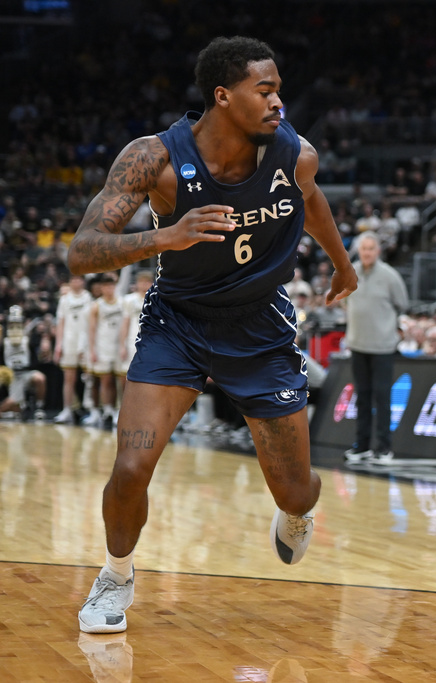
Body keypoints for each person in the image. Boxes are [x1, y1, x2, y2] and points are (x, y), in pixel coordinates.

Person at [68, 36, 358, 634]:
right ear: (223, 96)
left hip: (261, 328)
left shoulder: (295, 155)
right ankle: (115, 576)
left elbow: (313, 202)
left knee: (295, 492)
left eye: (279, 89)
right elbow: (81, 253)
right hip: (178, 321)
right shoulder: (153, 159)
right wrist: (162, 237)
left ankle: (298, 510)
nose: (279, 102)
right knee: (130, 466)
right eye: (266, 91)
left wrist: (342, 261)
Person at [342, 231, 407, 463]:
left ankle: (384, 448)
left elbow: (402, 303)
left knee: (382, 397)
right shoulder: (349, 272)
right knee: (362, 397)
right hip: (357, 344)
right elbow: (344, 301)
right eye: (363, 249)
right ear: (359, 251)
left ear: (378, 251)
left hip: (383, 347)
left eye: (371, 248)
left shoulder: (390, 276)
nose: (367, 253)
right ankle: (362, 446)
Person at [53, 273, 93, 423]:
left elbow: (91, 323)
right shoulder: (64, 300)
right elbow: (60, 323)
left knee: (89, 379)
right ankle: (67, 409)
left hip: (85, 343)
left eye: (79, 279)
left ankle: (91, 409)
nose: (76, 282)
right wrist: (58, 345)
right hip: (69, 342)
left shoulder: (88, 298)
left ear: (83, 281)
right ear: (70, 282)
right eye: (73, 279)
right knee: (68, 379)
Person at [86, 272, 124, 429]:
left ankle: (118, 410)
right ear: (101, 288)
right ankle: (107, 409)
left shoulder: (123, 303)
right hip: (103, 346)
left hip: (119, 347)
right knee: (105, 380)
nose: (109, 289)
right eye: (106, 286)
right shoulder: (96, 305)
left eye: (111, 285)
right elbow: (92, 329)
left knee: (121, 381)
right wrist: (92, 349)